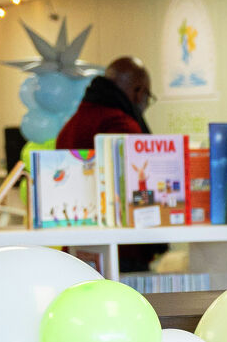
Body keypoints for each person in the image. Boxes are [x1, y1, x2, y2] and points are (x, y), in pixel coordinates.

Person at [57, 56, 157, 273]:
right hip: (122, 249)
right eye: (148, 96)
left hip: (77, 241)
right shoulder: (122, 125)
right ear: (139, 92)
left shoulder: (73, 123)